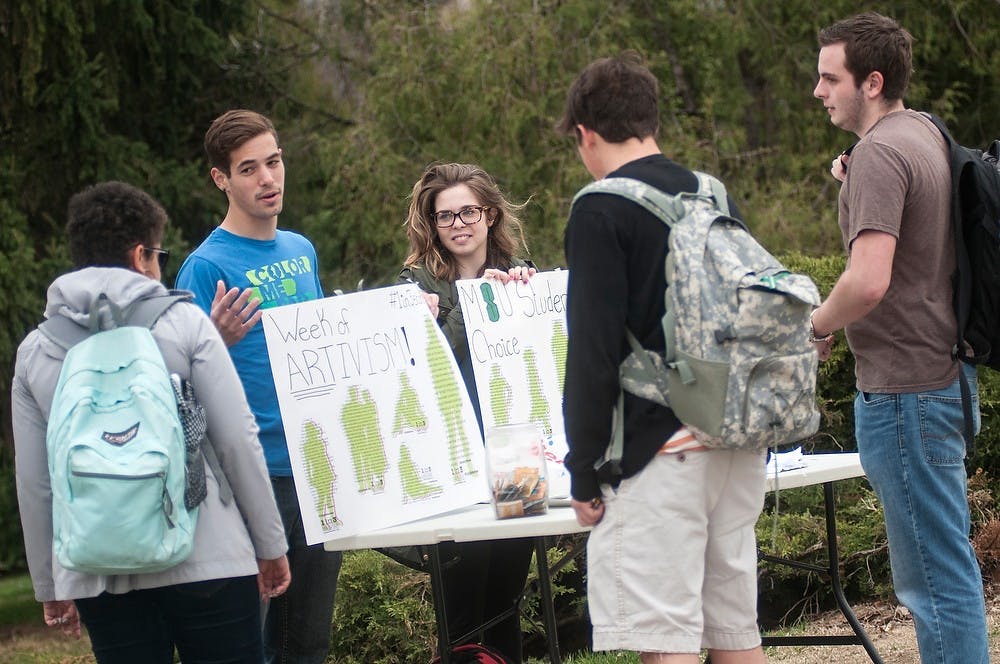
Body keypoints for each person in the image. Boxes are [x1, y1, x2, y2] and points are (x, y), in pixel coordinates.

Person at [12, 181, 291, 664]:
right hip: (209, 556)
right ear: (141, 255)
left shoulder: (37, 350)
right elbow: (236, 439)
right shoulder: (184, 323)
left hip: (101, 570)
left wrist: (50, 582)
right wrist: (269, 543)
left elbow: (35, 481)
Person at [558, 52, 768, 664]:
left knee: (665, 643)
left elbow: (593, 352)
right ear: (651, 121)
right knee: (735, 636)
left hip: (658, 454)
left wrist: (583, 468)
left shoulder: (599, 208)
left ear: (585, 134)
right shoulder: (710, 192)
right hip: (732, 442)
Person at [810, 13, 988, 663]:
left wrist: (816, 326)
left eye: (831, 78)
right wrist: (852, 180)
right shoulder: (922, 133)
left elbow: (868, 281)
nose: (818, 90)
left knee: (933, 585)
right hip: (944, 377)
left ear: (873, 82)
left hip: (906, 393)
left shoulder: (880, 155)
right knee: (948, 569)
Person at [175, 109, 342, 664]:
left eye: (274, 162)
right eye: (249, 169)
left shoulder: (301, 250)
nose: (268, 179)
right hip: (249, 476)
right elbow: (176, 390)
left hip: (316, 466)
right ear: (221, 179)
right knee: (245, 644)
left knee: (307, 643)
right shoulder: (204, 267)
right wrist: (214, 339)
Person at [399, 162, 536, 662]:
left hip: (519, 453)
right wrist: (471, 301)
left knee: (508, 600)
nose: (458, 224)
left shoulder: (521, 273)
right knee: (462, 610)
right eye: (445, 216)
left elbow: (544, 360)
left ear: (490, 215)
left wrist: (523, 295)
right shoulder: (414, 285)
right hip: (452, 457)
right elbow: (432, 366)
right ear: (431, 224)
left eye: (468, 212)